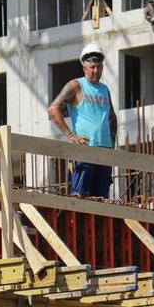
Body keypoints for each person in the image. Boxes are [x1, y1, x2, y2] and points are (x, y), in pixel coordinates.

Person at [47, 44, 117, 199]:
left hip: (104, 151)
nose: (96, 71)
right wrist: (71, 136)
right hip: (85, 150)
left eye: (99, 67)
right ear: (84, 67)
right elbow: (54, 108)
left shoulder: (104, 89)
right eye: (92, 67)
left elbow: (112, 116)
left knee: (101, 200)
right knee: (80, 196)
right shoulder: (76, 85)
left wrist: (112, 144)